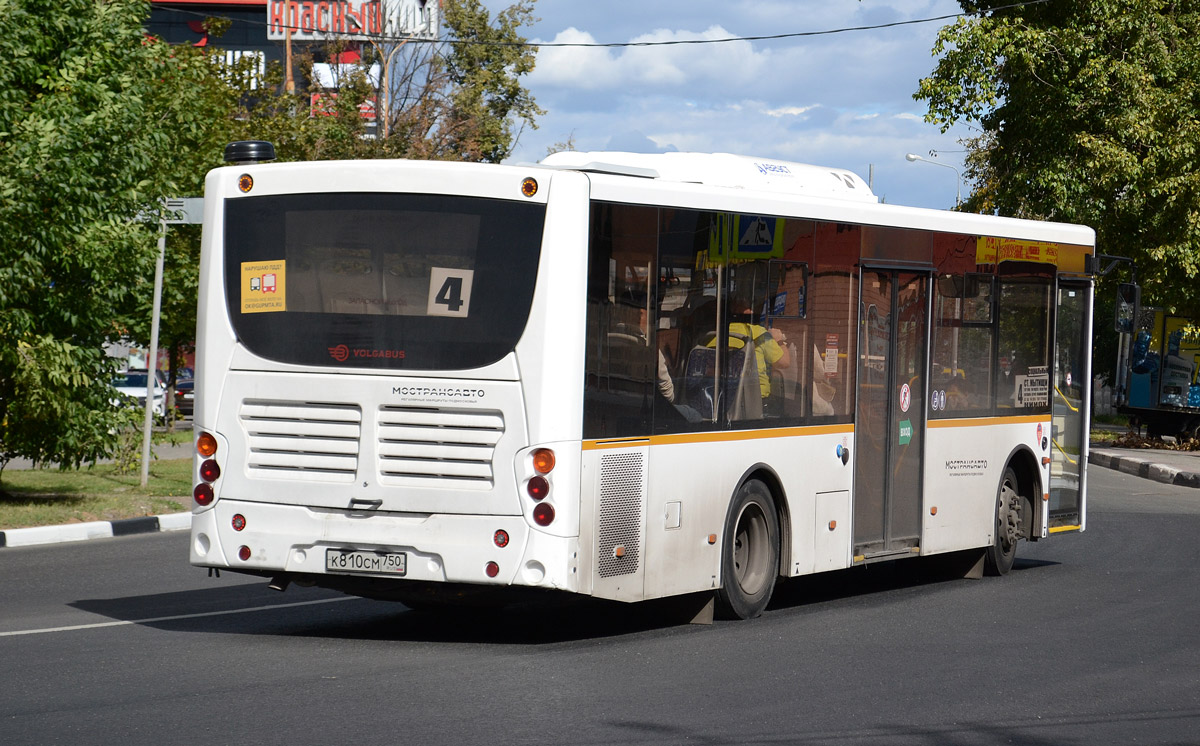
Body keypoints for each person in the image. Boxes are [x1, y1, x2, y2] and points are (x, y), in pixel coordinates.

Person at [709, 298, 791, 399]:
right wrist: (779, 340)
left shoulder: (715, 335)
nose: (752, 311)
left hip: (720, 397)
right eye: (749, 308)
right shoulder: (758, 334)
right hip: (755, 399)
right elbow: (784, 363)